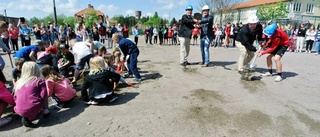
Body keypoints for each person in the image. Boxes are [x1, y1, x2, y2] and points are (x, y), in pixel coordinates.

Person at [14, 61, 49, 127]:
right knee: (44, 97)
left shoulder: (19, 82)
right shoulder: (39, 80)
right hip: (34, 106)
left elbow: (15, 97)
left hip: (18, 109)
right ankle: (45, 111)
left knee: (27, 106)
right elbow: (43, 95)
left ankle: (27, 117)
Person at [235, 14, 263, 79]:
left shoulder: (259, 26)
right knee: (244, 52)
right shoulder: (244, 30)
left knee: (252, 55)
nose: (253, 25)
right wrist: (255, 50)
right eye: (251, 24)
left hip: (249, 42)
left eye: (254, 24)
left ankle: (242, 64)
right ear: (248, 23)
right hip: (240, 41)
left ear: (256, 23)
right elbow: (246, 42)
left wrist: (260, 40)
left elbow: (260, 34)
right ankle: (240, 69)